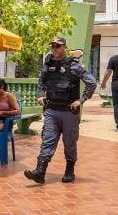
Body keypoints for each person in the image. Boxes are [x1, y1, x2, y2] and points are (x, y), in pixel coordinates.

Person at [24, 36, 97, 184]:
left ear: (64, 47)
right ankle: (40, 172)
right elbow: (41, 81)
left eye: (58, 46)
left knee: (69, 143)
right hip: (51, 110)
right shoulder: (48, 65)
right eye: (53, 46)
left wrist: (81, 100)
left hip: (69, 111)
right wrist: (40, 94)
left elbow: (92, 83)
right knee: (47, 140)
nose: (54, 49)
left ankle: (69, 171)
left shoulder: (74, 66)